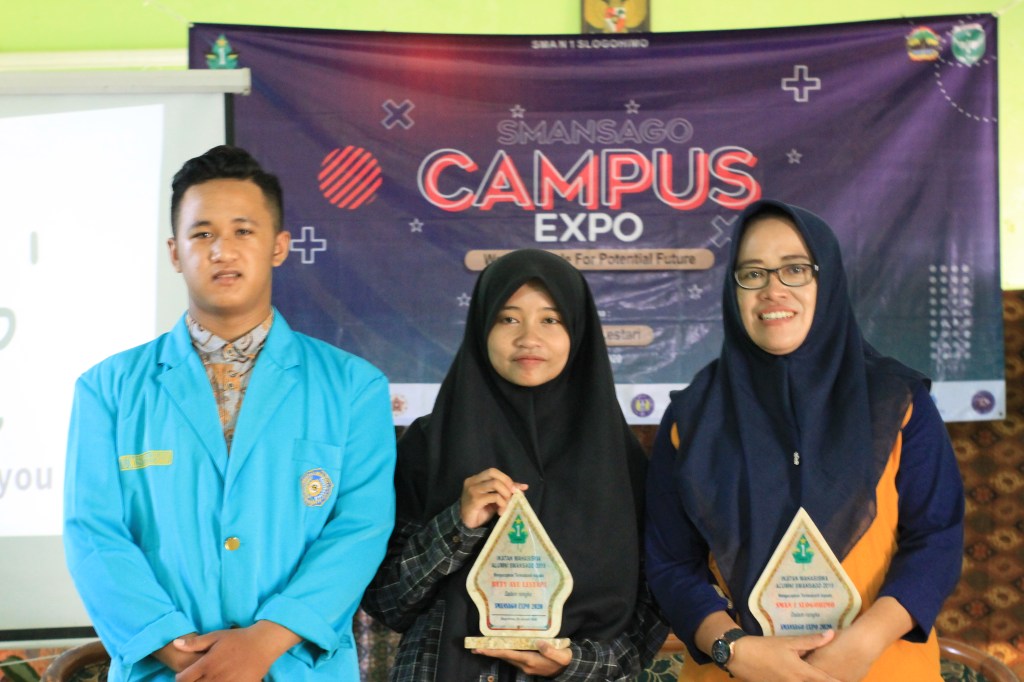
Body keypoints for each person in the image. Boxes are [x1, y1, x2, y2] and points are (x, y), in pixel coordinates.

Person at [63, 146, 396, 681]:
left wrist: (264, 643)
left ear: (279, 246)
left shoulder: (353, 387)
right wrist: (180, 651)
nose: (222, 250)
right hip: (167, 671)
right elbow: (93, 535)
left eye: (243, 230)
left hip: (296, 667)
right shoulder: (108, 389)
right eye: (202, 234)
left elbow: (360, 529)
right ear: (175, 252)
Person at [645, 200, 965, 682]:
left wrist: (866, 640)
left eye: (795, 269)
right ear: (733, 290)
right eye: (752, 273)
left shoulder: (898, 401)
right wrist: (733, 649)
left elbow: (937, 539)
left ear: (827, 280)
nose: (772, 289)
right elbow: (670, 562)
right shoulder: (691, 417)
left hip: (879, 668)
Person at [362, 249, 668, 680]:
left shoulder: (622, 461)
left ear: (578, 332)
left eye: (551, 320)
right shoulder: (430, 443)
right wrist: (457, 524)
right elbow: (386, 600)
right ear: (481, 327)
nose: (528, 338)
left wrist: (574, 661)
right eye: (508, 319)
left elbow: (651, 611)